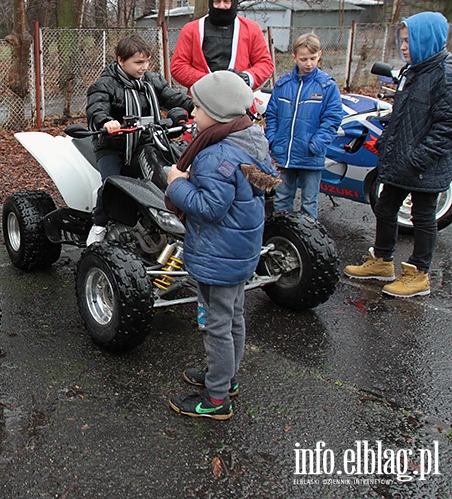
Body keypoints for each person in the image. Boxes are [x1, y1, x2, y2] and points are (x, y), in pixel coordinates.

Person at [164, 71, 280, 420]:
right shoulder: (250, 137)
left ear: (218, 112)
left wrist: (176, 183)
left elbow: (209, 208)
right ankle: (224, 379)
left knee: (217, 325)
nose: (192, 114)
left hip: (219, 253)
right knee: (232, 318)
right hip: (237, 251)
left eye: (197, 107)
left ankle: (216, 400)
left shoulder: (216, 155)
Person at [344, 11, 452, 298]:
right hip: (399, 159)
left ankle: (419, 274)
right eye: (402, 40)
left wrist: (417, 158)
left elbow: (446, 127)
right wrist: (386, 144)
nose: (403, 46)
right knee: (386, 207)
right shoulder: (413, 70)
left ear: (427, 39)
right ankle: (382, 261)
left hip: (423, 165)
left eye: (409, 40)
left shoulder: (444, 74)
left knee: (423, 216)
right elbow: (402, 115)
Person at [85, 34, 194, 246]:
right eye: (138, 62)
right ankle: (99, 225)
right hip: (114, 145)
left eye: (146, 61)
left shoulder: (152, 81)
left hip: (147, 140)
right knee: (111, 183)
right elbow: (96, 108)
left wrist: (199, 104)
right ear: (120, 60)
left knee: (168, 172)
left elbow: (174, 98)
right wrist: (106, 122)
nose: (144, 67)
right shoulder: (105, 85)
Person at [264, 32, 343, 218]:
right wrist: (273, 140)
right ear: (294, 58)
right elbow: (272, 115)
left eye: (313, 58)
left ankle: (308, 240)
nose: (308, 63)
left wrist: (316, 145)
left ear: (320, 55)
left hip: (310, 155)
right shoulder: (283, 85)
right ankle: (281, 236)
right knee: (282, 198)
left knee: (309, 202)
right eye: (304, 59)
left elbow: (332, 119)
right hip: (285, 154)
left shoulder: (326, 87)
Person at [170, 0, 274, 93]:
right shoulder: (191, 29)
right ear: (211, 2)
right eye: (217, 1)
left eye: (227, 1)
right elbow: (178, 66)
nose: (222, 6)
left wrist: (246, 77)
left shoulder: (251, 29)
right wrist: (208, 81)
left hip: (239, 98)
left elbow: (265, 63)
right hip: (201, 100)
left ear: (234, 2)